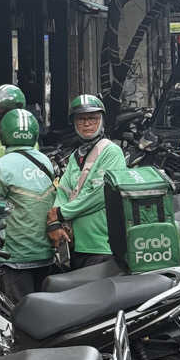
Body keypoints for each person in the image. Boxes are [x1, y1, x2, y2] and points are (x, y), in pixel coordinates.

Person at [0, 109, 56, 303]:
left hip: (16, 256)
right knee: (43, 309)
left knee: (18, 313)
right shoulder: (45, 161)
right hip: (46, 253)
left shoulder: (1, 165)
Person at [49, 94, 127, 269]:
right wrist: (55, 220)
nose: (87, 123)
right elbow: (63, 190)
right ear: (74, 123)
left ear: (101, 120)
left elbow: (101, 194)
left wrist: (61, 213)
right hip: (76, 243)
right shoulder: (76, 156)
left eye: (93, 118)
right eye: (81, 118)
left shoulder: (111, 152)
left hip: (101, 244)